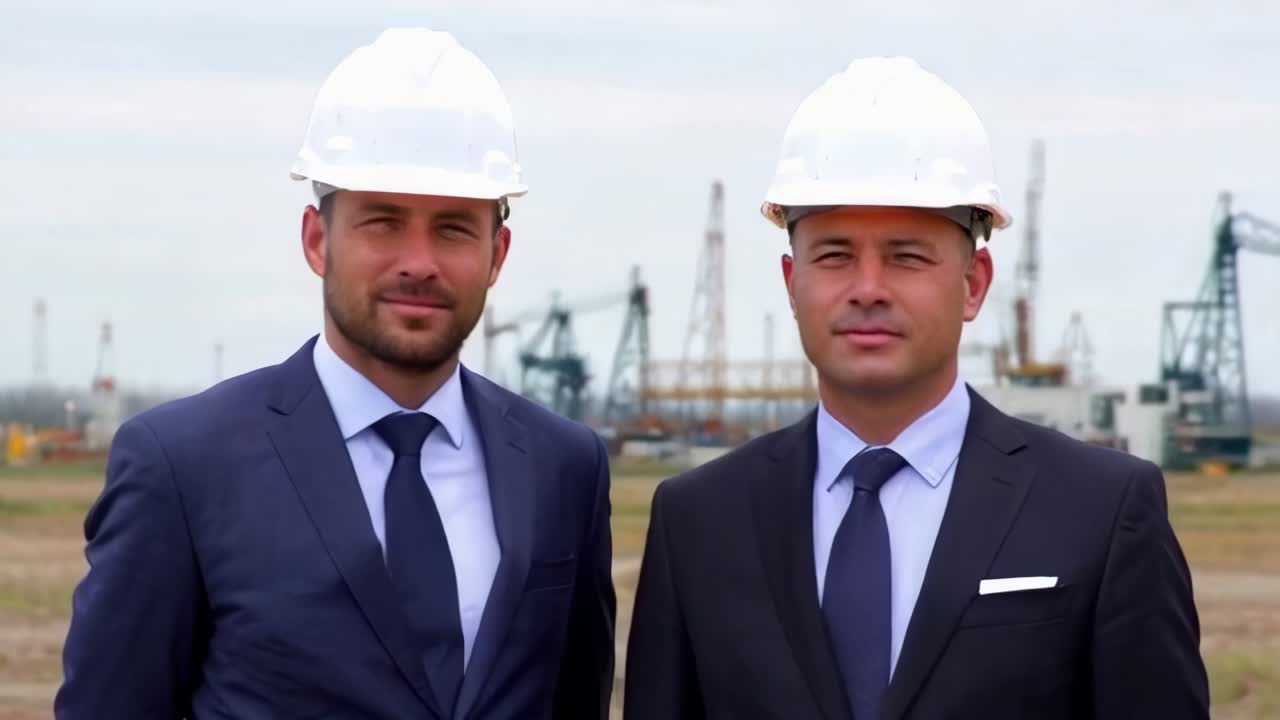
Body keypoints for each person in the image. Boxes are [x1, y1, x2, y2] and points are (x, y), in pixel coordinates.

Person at [623, 57, 1209, 719]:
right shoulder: (699, 520)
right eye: (835, 255)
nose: (868, 288)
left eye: (907, 256)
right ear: (792, 282)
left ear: (975, 283)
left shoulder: (1101, 510)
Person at [56, 28, 615, 720]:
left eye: (452, 228)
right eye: (382, 222)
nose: (418, 261)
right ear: (317, 241)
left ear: (497, 253)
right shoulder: (183, 469)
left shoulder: (565, 468)